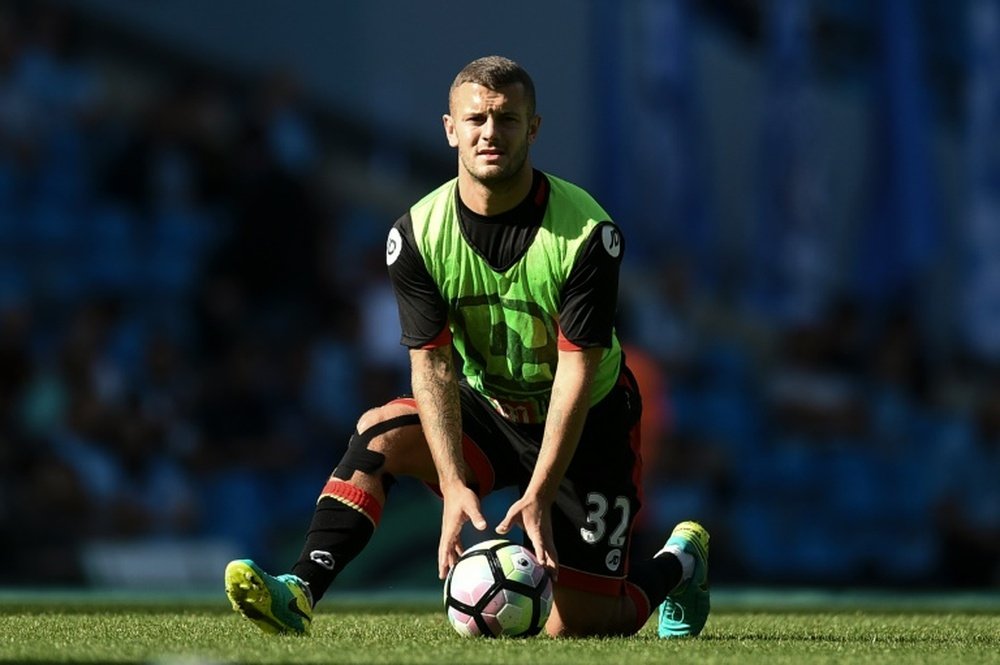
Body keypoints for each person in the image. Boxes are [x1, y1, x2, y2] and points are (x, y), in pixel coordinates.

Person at [224, 55, 710, 638]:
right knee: (379, 433)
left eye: (507, 119)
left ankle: (679, 562)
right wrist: (453, 483)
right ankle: (299, 590)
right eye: (476, 118)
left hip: (588, 422)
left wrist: (540, 491)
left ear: (533, 129)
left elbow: (577, 373)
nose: (489, 132)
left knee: (581, 627)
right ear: (450, 128)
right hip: (489, 408)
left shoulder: (588, 234)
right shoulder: (415, 235)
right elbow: (430, 361)